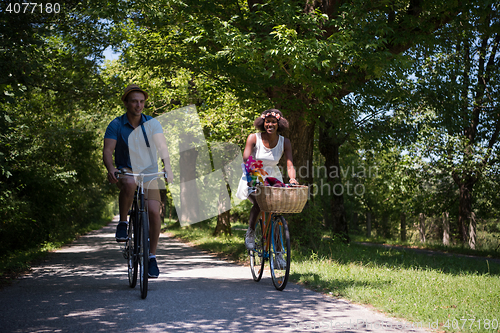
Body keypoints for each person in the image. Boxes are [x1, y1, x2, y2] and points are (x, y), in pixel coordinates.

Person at [103, 84, 171, 278]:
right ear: (126, 103)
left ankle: (151, 257)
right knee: (130, 184)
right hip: (127, 170)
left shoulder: (153, 124)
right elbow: (108, 151)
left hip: (150, 173)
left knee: (153, 212)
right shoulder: (116, 124)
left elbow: (163, 148)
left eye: (141, 101)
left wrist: (168, 167)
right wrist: (111, 169)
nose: (138, 105)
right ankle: (123, 222)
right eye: (134, 101)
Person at [235, 109, 299, 251]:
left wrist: (293, 178)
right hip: (253, 173)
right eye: (267, 121)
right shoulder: (253, 137)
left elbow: (289, 164)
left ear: (279, 124)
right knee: (259, 203)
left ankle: (278, 253)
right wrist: (252, 175)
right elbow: (246, 158)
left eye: (273, 122)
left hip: (272, 177)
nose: (270, 124)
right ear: (262, 123)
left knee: (275, 211)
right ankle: (250, 233)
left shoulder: (285, 142)